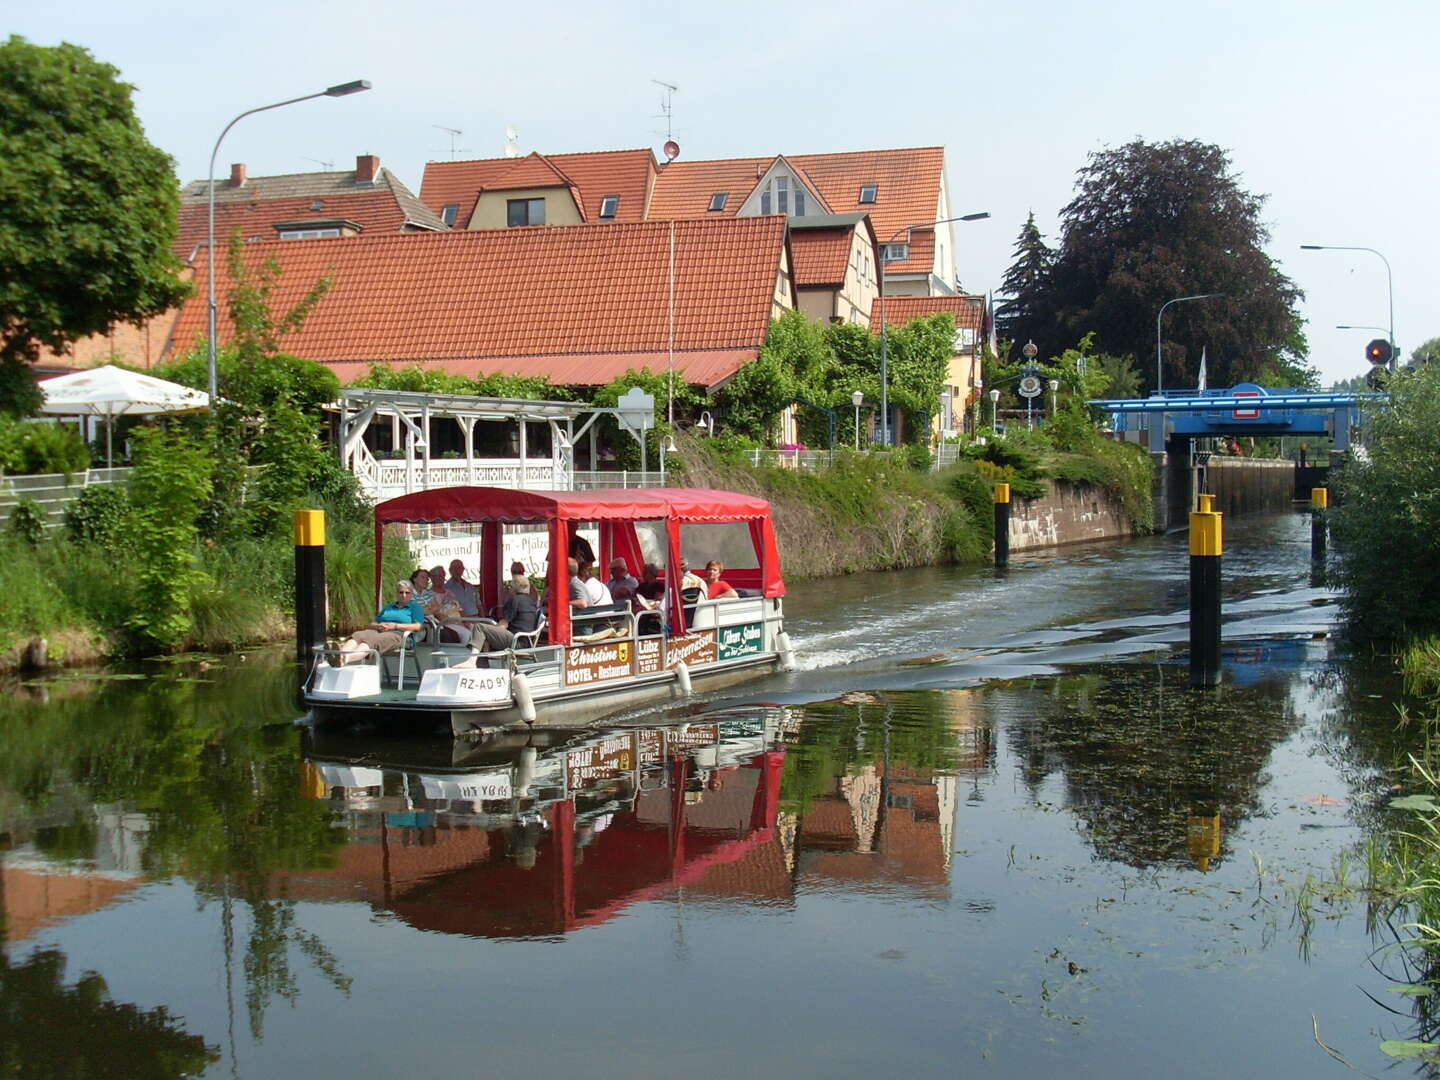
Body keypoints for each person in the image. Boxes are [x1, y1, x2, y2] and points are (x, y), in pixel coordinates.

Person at [334, 580, 425, 664]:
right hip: (379, 630)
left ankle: (344, 659)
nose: (404, 595)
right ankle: (339, 655)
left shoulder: (415, 607)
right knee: (358, 635)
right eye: (401, 592)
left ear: (411, 594)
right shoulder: (389, 607)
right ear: (396, 593)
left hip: (400, 634)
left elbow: (418, 626)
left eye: (407, 592)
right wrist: (378, 626)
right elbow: (372, 624)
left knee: (373, 640)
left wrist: (395, 626)